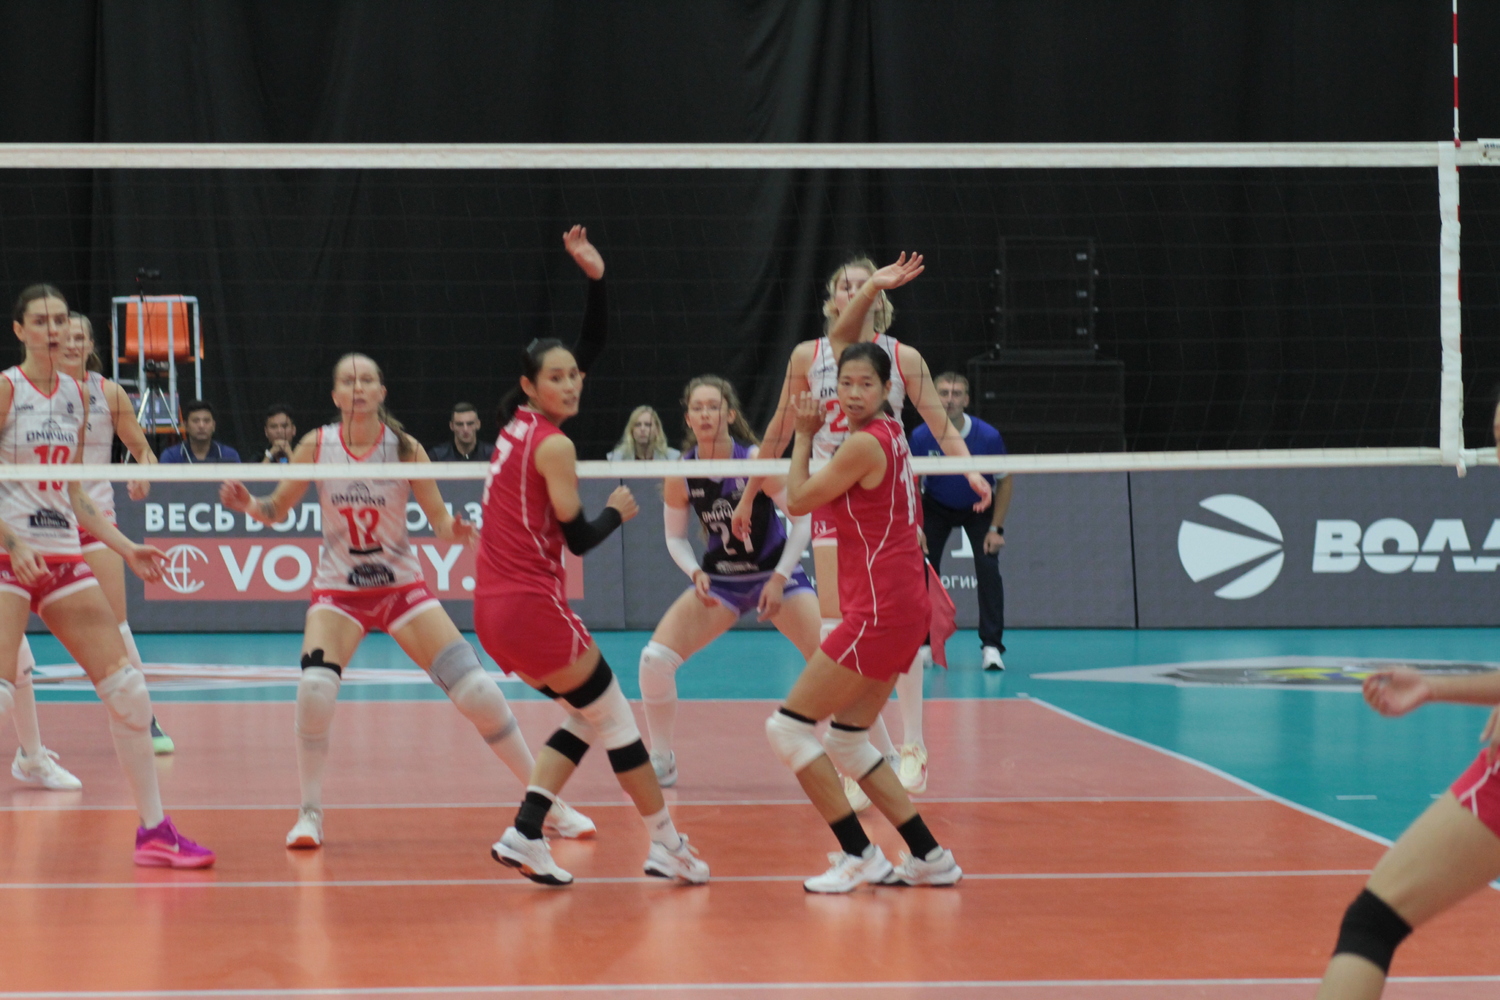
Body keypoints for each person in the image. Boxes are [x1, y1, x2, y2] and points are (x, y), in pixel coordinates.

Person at [220, 353, 595, 849]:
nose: (358, 387)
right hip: (340, 592)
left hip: (400, 588)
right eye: (348, 381)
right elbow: (274, 509)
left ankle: (546, 804)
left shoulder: (405, 447)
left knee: (479, 693)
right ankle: (309, 813)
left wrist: (454, 530)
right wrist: (248, 504)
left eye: (367, 380)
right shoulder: (317, 444)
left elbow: (438, 522)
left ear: (382, 392)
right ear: (335, 395)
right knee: (314, 690)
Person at [734, 253, 991, 800]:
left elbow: (940, 424)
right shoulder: (808, 356)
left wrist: (970, 470)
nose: (853, 292)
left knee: (897, 618)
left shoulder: (902, 357)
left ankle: (914, 745)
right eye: (844, 286)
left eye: (863, 285)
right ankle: (869, 753)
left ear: (880, 297)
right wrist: (751, 493)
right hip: (830, 495)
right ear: (831, 300)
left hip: (886, 492)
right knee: (839, 627)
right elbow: (779, 428)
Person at [478, 339, 709, 888]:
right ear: (530, 386)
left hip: (491, 612)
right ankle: (668, 846)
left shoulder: (514, 429)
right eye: (555, 378)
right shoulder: (553, 444)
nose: (570, 385)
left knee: (586, 714)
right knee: (616, 718)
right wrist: (614, 512)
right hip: (530, 608)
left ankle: (526, 831)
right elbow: (578, 538)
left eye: (574, 376)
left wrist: (598, 293)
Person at [0, 284, 212, 866]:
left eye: (59, 320)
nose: (52, 330)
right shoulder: (7, 389)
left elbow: (76, 495)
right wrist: (12, 541)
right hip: (7, 555)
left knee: (128, 691)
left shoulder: (78, 395)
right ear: (20, 331)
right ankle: (31, 755)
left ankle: (155, 832)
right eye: (40, 321)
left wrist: (125, 547)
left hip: (61, 552)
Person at [769, 342, 961, 892]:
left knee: (787, 729)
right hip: (900, 605)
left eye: (866, 384)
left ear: (887, 390)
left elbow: (797, 500)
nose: (852, 393)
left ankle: (860, 854)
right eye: (845, 383)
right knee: (849, 740)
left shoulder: (863, 445)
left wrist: (803, 435)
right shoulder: (893, 432)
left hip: (879, 611)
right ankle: (930, 856)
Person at [639, 375, 817, 788]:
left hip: (775, 575)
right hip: (721, 582)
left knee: (833, 659)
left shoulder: (754, 461)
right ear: (688, 418)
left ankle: (877, 753)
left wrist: (780, 578)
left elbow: (804, 520)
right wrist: (695, 571)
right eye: (697, 408)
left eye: (713, 406)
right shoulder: (682, 472)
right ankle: (661, 758)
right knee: (654, 661)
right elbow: (674, 538)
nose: (705, 414)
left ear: (730, 414)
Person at [59, 313, 175, 755]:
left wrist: (145, 473)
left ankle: (145, 718)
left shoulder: (109, 393)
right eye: (65, 336)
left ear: (91, 344)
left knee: (116, 624)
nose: (72, 343)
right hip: (41, 518)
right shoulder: (28, 393)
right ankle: (29, 745)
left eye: (80, 337)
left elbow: (143, 450)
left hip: (96, 516)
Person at [910, 372, 1011, 671]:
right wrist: (916, 525)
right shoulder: (921, 436)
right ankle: (924, 644)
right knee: (922, 569)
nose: (949, 399)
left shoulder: (988, 437)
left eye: (956, 394)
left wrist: (996, 528)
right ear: (934, 398)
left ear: (966, 400)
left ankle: (991, 647)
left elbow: (1005, 481)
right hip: (935, 506)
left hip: (977, 508)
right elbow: (912, 482)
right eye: (943, 393)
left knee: (988, 569)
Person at [159, 400, 240, 463]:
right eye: (195, 421)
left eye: (206, 421)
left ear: (213, 426)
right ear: (186, 426)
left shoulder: (230, 455)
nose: (201, 426)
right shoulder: (171, 456)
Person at [607, 405, 680, 461]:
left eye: (648, 425)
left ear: (657, 430)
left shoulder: (673, 458)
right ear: (631, 431)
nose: (642, 429)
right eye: (638, 425)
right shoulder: (616, 458)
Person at [428, 403, 495, 462]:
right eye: (460, 424)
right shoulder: (437, 456)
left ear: (478, 424)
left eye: (470, 423)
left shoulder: (492, 454)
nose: (465, 429)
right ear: (451, 426)